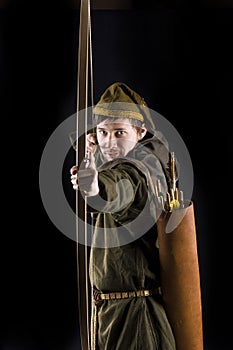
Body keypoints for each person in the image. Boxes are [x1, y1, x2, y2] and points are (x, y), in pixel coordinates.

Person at [70, 82, 176, 350]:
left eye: (120, 133)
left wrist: (95, 187)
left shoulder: (138, 171)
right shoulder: (115, 162)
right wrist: (90, 154)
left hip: (137, 318)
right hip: (110, 313)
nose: (110, 142)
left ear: (140, 132)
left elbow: (118, 188)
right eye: (103, 132)